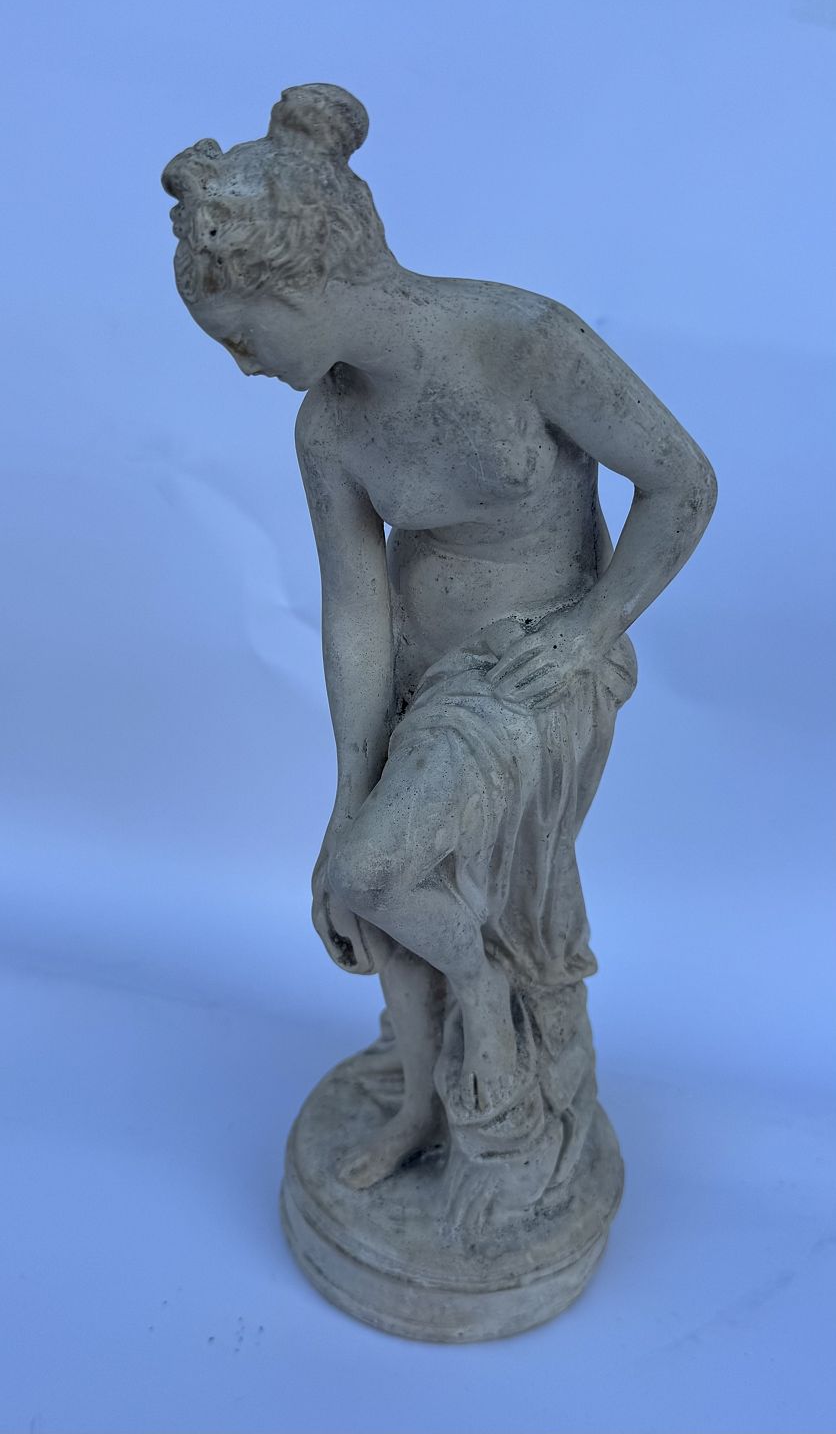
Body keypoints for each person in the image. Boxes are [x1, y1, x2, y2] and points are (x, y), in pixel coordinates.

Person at [163, 82, 716, 1208]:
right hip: (421, 673)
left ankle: (489, 1022)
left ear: (302, 282)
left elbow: (680, 483)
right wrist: (346, 788)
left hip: (531, 671)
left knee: (376, 875)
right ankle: (422, 1098)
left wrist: (588, 631)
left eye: (241, 335)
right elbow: (355, 607)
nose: (242, 364)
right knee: (370, 892)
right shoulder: (329, 426)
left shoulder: (523, 341)